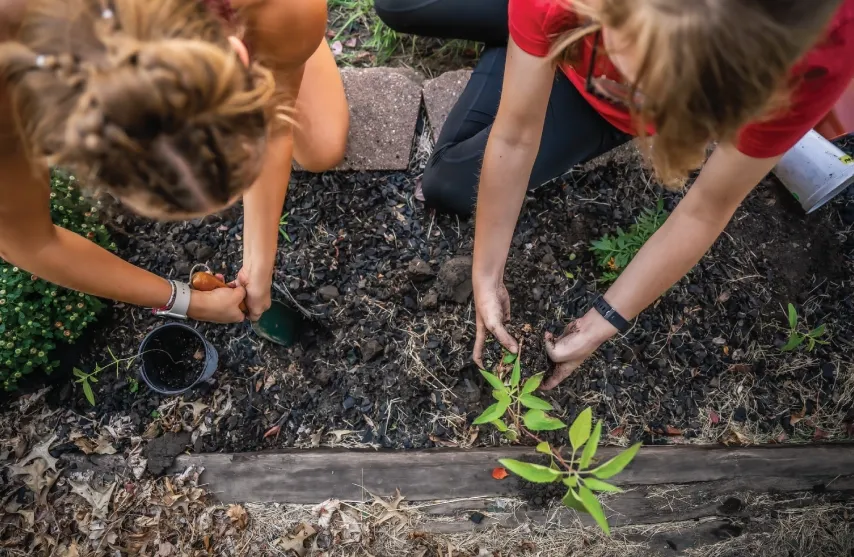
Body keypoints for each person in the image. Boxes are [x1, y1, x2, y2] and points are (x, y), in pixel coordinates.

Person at [375, 0, 854, 388]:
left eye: (648, 93)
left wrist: (603, 322)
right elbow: (515, 136)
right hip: (562, 16)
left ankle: (531, 49)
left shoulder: (812, 58)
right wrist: (485, 272)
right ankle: (534, 42)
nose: (618, 81)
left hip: (580, 62)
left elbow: (706, 208)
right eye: (618, 62)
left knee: (452, 184)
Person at [0, 0, 349, 323]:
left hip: (263, 18)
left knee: (323, 149)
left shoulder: (284, 7)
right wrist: (187, 301)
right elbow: (28, 241)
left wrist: (261, 261)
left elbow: (275, 129)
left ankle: (277, 49)